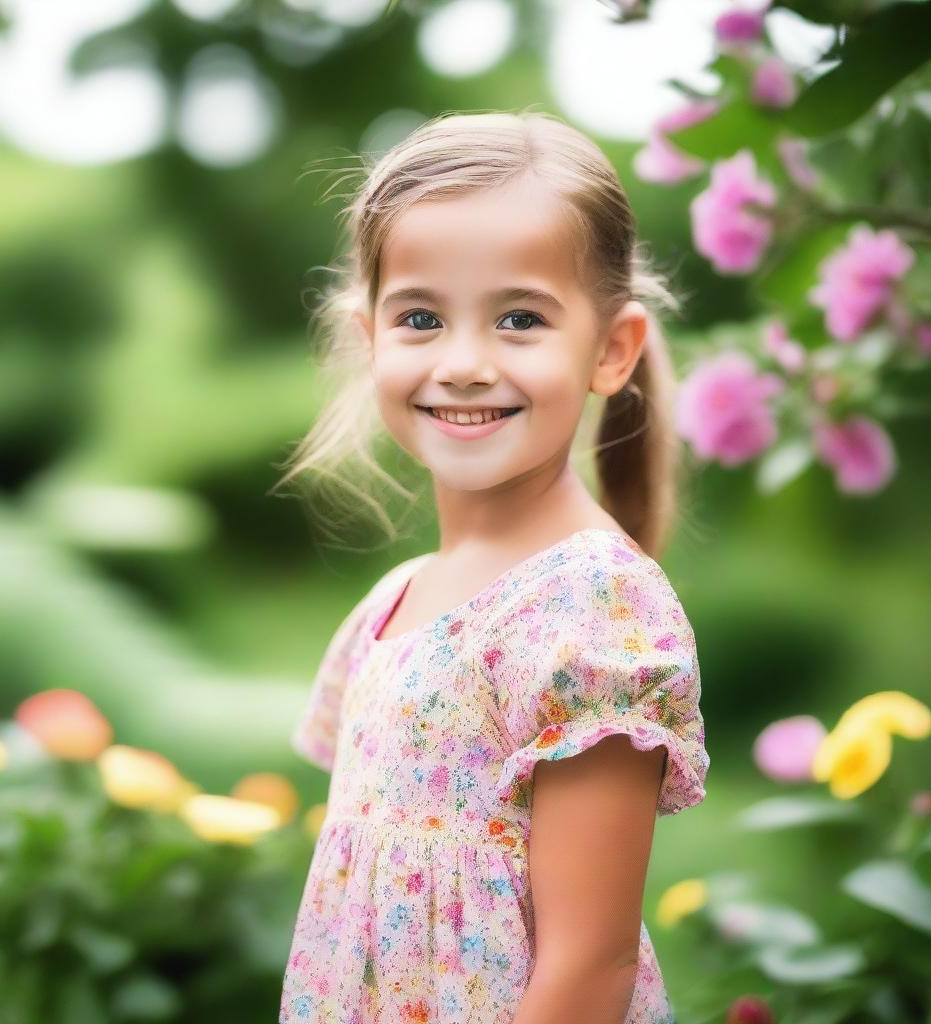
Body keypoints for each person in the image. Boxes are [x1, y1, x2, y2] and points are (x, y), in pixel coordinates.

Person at [275, 109, 710, 1024]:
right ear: (371, 338)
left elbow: (589, 970)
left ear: (610, 350)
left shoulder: (591, 610)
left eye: (520, 319)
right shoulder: (394, 601)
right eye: (422, 318)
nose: (465, 363)